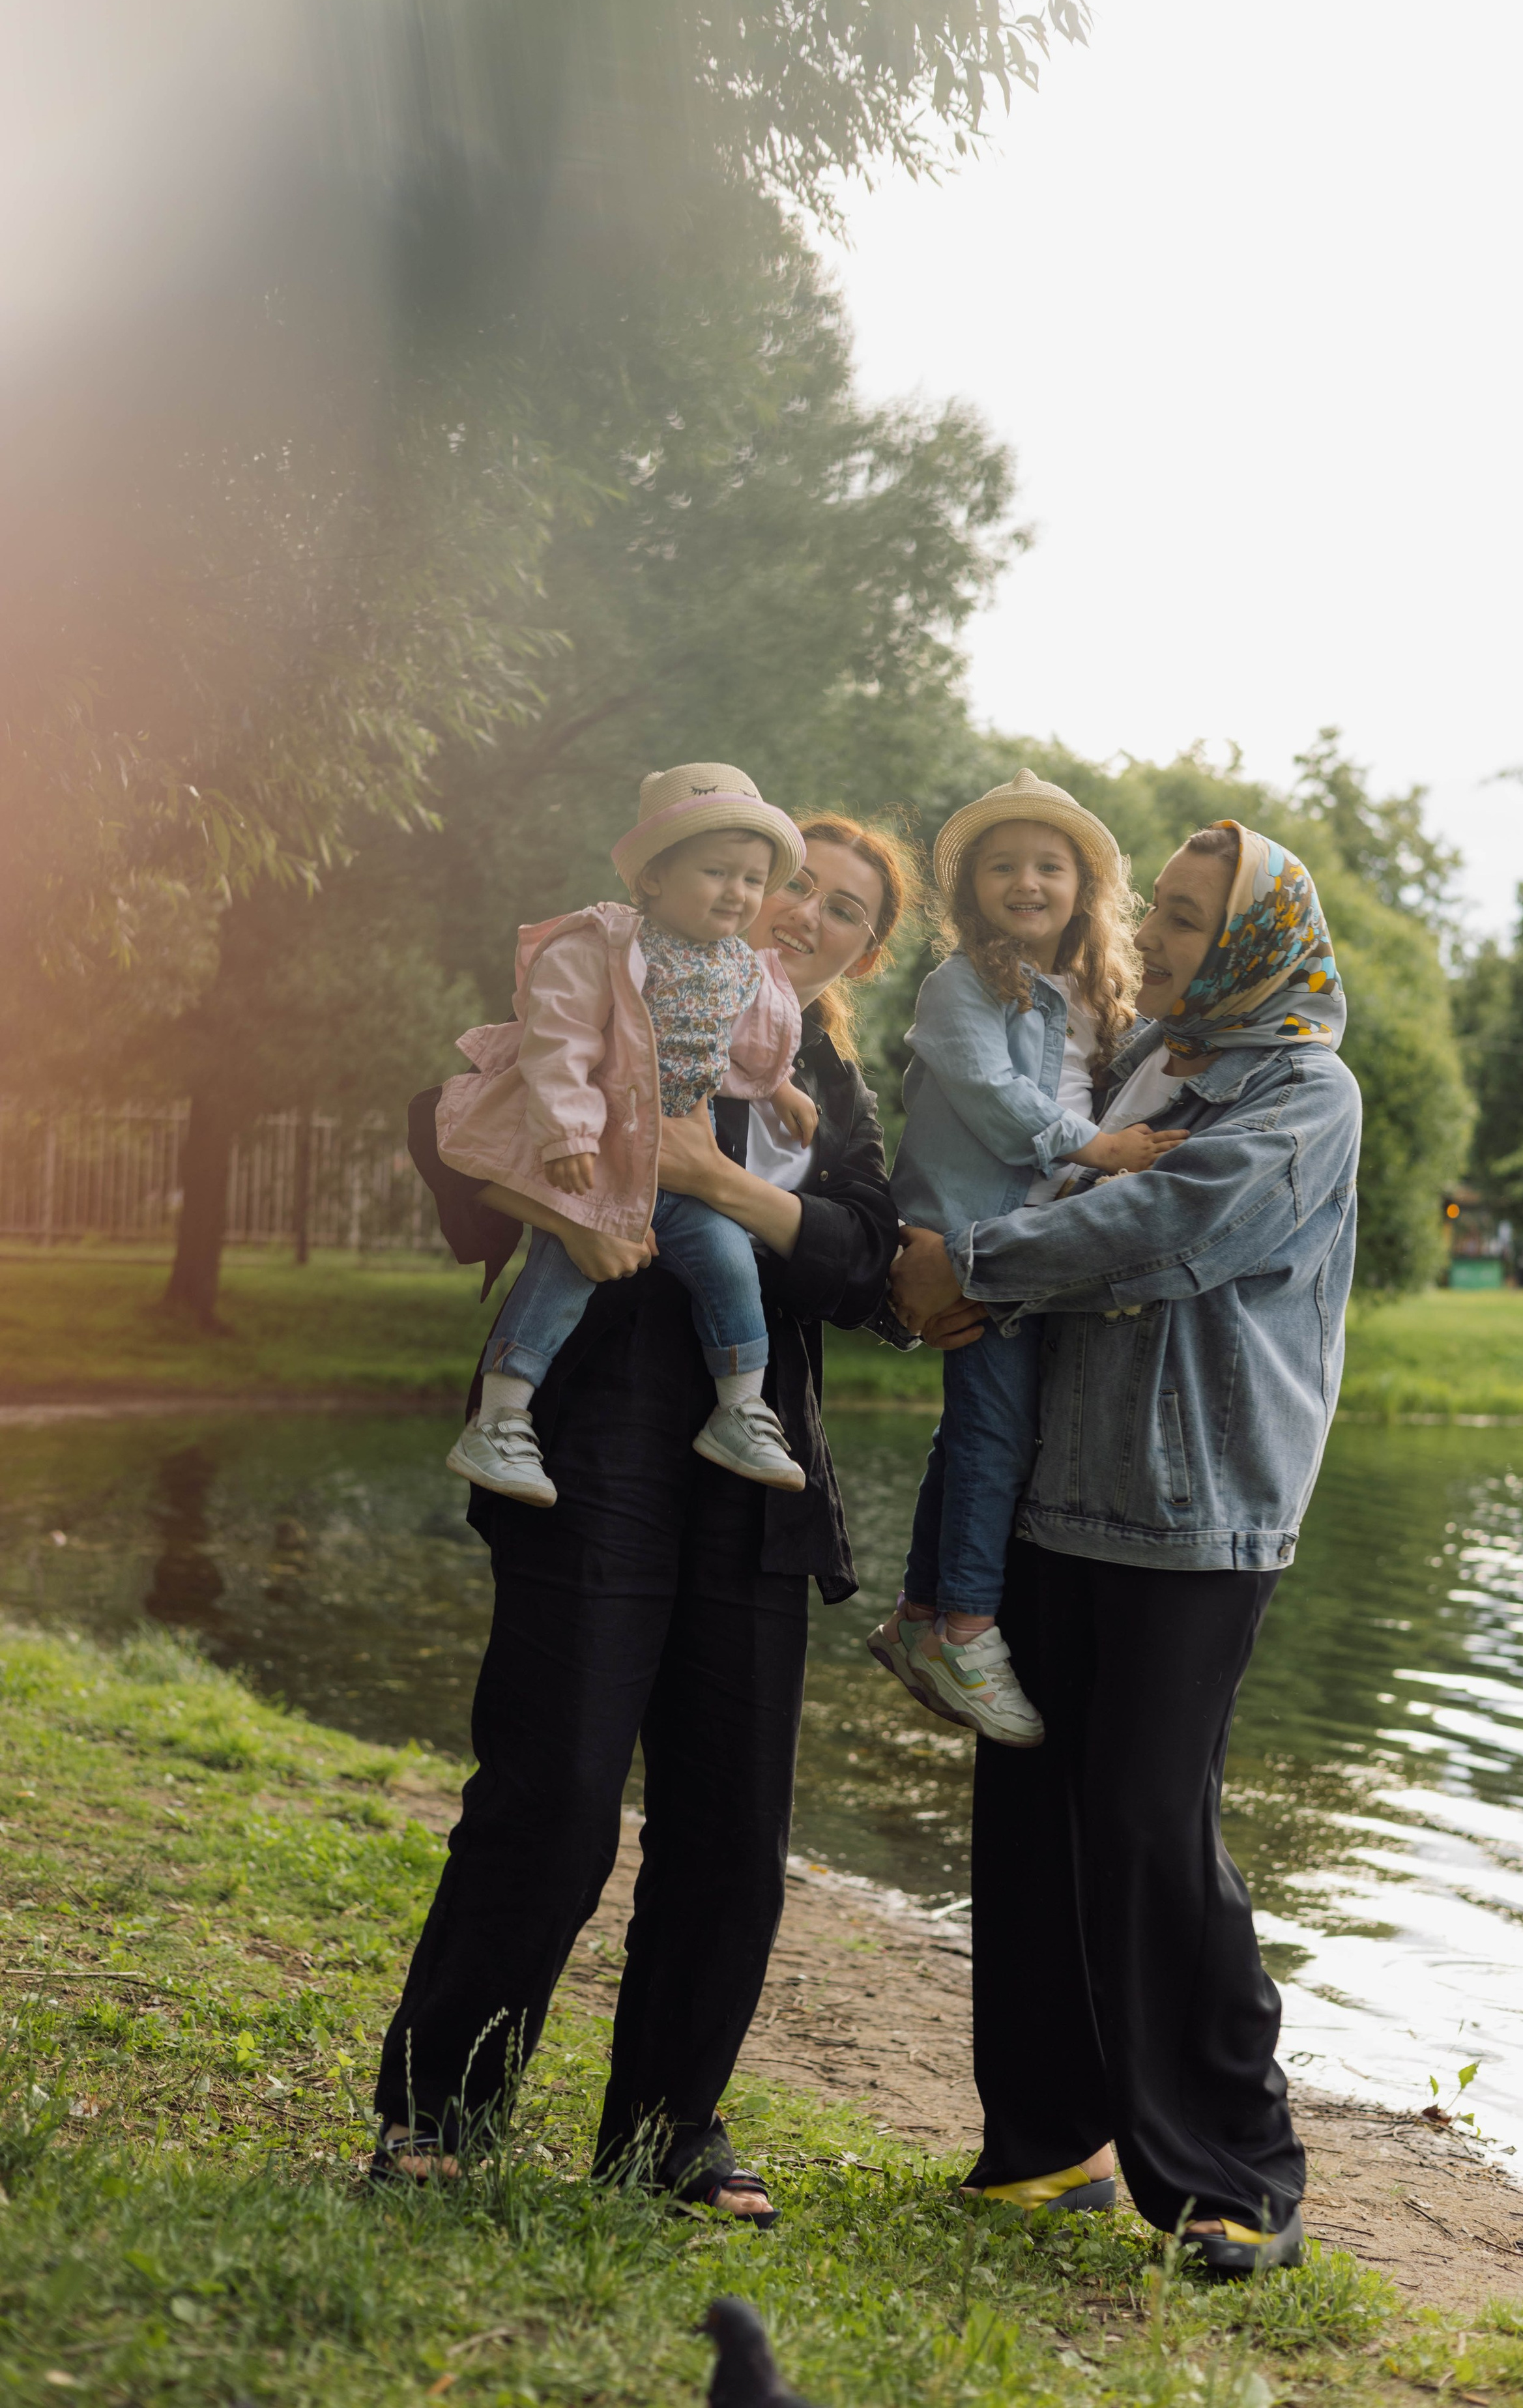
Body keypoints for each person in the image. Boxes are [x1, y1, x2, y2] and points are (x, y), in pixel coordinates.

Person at [373, 811, 918, 2224]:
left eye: (846, 911)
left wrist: (710, 1179)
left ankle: (667, 2133)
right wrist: (565, 1197)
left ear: (862, 951)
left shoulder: (820, 1081)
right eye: (791, 878)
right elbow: (443, 1136)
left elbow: (867, 1271)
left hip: (752, 1475)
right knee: (551, 1794)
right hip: (587, 1448)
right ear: (711, 877)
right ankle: (443, 2109)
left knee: (730, 1821)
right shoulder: (608, 988)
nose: (805, 910)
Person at [890, 819, 1360, 2278]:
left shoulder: (1304, 1090)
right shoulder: (1151, 1061)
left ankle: (1235, 2181)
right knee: (1030, 1833)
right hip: (1054, 1493)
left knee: (1152, 1835)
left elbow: (1167, 1225)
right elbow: (1058, 1188)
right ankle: (1044, 2149)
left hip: (1193, 1515)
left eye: (1181, 917)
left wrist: (961, 1266)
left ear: (1254, 938)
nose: (1148, 935)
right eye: (1154, 909)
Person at [870, 770, 1184, 1747]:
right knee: (996, 1435)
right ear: (973, 894)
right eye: (1003, 866)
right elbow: (992, 1092)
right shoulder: (962, 983)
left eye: (1050, 865)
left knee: (978, 1428)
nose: (1027, 881)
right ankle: (966, 1627)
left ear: (1085, 888)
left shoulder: (1096, 991)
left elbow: (1126, 1079)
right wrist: (1099, 1154)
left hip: (1037, 1238)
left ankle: (921, 1617)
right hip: (979, 1229)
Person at [436, 763, 817, 1506]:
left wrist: (781, 1086)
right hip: (596, 1157)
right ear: (651, 879)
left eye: (751, 879)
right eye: (716, 872)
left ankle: (739, 1407)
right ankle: (499, 1419)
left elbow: (740, 1045)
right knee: (563, 1272)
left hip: (672, 1167)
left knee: (731, 1259)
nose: (737, 894)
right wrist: (570, 1134)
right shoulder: (603, 948)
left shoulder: (736, 966)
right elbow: (560, 1042)